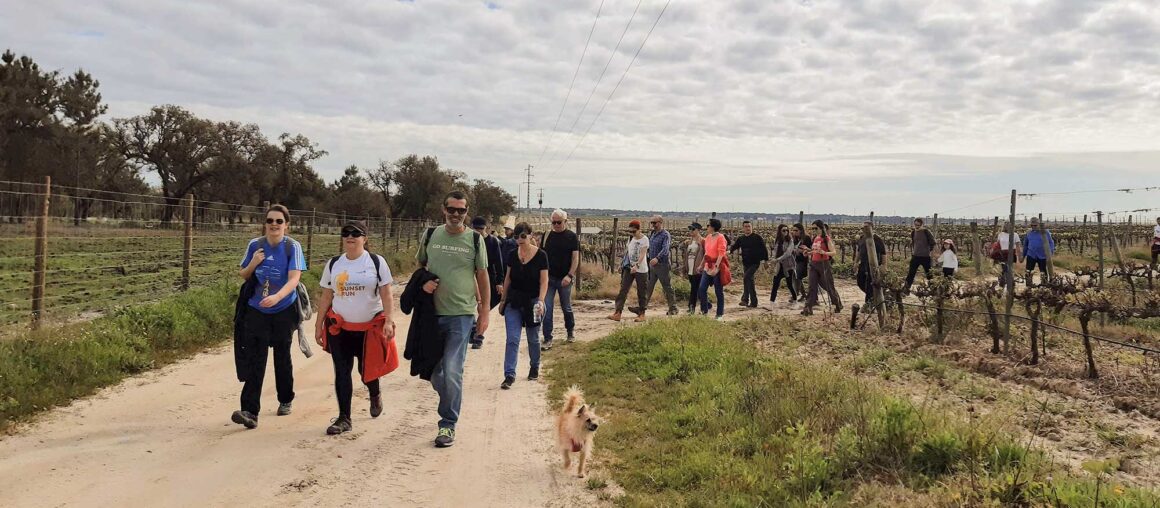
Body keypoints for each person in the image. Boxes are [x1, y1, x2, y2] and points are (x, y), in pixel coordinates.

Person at [416, 191, 490, 448]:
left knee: (452, 370)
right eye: (452, 209)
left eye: (461, 210)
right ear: (443, 209)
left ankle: (447, 423)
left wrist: (484, 311)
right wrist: (423, 283)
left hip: (461, 314)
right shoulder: (430, 235)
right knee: (434, 372)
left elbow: (482, 275)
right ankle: (450, 396)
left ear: (467, 212)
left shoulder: (475, 240)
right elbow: (420, 267)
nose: (456, 214)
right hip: (430, 314)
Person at [315, 220, 396, 435]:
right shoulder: (334, 264)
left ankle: (375, 393)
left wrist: (389, 320)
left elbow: (386, 294)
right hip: (340, 329)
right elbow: (326, 296)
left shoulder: (376, 262)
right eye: (346, 233)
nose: (350, 236)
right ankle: (344, 418)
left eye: (356, 233)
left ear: (365, 238)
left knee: (365, 371)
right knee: (342, 371)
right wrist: (318, 324)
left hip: (368, 330)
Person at [231, 204, 306, 430]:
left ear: (286, 225)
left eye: (279, 221)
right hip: (256, 309)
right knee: (256, 358)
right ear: (264, 224)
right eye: (270, 221)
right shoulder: (255, 245)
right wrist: (254, 263)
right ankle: (250, 411)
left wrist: (277, 297)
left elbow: (294, 279)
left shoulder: (292, 247)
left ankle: (286, 398)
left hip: (284, 308)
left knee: (282, 356)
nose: (274, 224)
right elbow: (244, 274)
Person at [498, 222, 548, 390]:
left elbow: (544, 281)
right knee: (512, 339)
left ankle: (534, 366)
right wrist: (503, 300)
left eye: (523, 236)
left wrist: (541, 301)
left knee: (533, 338)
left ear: (530, 235)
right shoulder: (512, 254)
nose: (519, 239)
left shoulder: (541, 255)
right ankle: (509, 375)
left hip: (533, 301)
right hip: (514, 301)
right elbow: (508, 278)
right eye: (516, 236)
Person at [540, 209, 579, 350]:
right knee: (547, 308)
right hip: (549, 279)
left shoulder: (571, 237)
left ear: (565, 221)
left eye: (559, 222)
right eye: (554, 222)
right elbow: (541, 257)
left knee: (566, 307)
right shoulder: (546, 236)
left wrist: (569, 275)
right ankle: (547, 338)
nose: (556, 225)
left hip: (565, 279)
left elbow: (575, 258)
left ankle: (570, 331)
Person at [468, 217, 504, 350]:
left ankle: (479, 335)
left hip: (488, 277)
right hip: (470, 277)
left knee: (484, 308)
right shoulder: (468, 240)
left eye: (481, 229)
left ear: (486, 229)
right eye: (476, 229)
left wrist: (500, 282)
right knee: (468, 305)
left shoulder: (493, 241)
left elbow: (499, 262)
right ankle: (473, 327)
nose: (478, 231)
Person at [608, 219, 650, 322]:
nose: (632, 233)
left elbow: (643, 254)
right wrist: (622, 264)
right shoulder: (631, 238)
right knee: (623, 290)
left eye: (634, 231)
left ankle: (642, 314)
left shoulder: (644, 239)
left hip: (641, 269)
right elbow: (628, 252)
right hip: (628, 268)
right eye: (630, 231)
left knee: (641, 291)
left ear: (639, 230)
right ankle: (618, 313)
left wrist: (637, 265)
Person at [641, 215, 680, 316]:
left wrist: (657, 258)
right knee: (648, 286)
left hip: (662, 265)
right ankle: (642, 308)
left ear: (660, 223)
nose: (653, 225)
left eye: (655, 223)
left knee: (667, 287)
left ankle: (673, 308)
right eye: (652, 223)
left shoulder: (665, 235)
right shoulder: (652, 234)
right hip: (652, 265)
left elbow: (665, 249)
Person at [802, 220, 842, 316]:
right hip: (813, 264)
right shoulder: (815, 238)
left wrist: (824, 253)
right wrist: (808, 253)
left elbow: (833, 252)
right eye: (812, 228)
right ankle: (808, 307)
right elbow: (815, 251)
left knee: (828, 286)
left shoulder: (826, 238)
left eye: (815, 228)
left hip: (824, 264)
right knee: (812, 286)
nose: (813, 230)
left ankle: (837, 304)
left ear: (821, 228)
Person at [729, 220, 768, 308]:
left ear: (751, 227)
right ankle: (752, 302)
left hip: (755, 263)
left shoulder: (757, 237)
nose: (747, 228)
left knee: (746, 277)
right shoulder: (741, 238)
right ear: (743, 228)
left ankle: (745, 299)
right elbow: (735, 246)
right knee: (749, 280)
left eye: (749, 226)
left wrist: (765, 261)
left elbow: (764, 249)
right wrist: (729, 251)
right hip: (746, 263)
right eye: (746, 226)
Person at [698, 218, 730, 321]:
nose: (707, 227)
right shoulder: (708, 237)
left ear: (713, 227)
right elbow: (706, 253)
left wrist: (716, 267)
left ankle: (719, 314)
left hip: (718, 267)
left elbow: (721, 253)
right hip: (708, 266)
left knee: (718, 291)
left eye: (708, 225)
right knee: (701, 289)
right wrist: (701, 265)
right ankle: (704, 311)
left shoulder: (721, 237)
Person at [854, 221, 887, 305]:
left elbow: (883, 254)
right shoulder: (862, 238)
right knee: (860, 282)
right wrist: (856, 262)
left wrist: (883, 265)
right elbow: (859, 252)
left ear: (872, 228)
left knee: (870, 284)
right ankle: (873, 296)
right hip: (863, 265)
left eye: (866, 227)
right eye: (863, 228)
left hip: (874, 266)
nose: (864, 229)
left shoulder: (877, 239)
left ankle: (869, 303)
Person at [770, 224, 800, 304]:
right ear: (779, 231)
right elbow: (775, 251)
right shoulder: (777, 241)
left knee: (789, 284)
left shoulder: (790, 241)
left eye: (787, 230)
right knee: (775, 284)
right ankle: (771, 303)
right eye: (783, 230)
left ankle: (795, 300)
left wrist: (777, 259)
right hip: (779, 266)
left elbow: (788, 253)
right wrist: (773, 259)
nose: (786, 232)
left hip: (788, 266)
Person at [904, 218, 935, 292]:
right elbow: (914, 242)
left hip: (925, 257)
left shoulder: (926, 232)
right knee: (911, 273)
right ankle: (906, 288)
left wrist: (929, 252)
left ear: (922, 225)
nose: (916, 226)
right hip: (915, 256)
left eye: (918, 225)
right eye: (915, 225)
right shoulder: (913, 232)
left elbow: (933, 242)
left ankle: (933, 289)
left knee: (929, 274)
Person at [1023, 217, 1055, 287]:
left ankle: (1044, 285)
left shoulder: (1045, 232)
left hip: (1042, 255)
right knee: (1028, 271)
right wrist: (1023, 255)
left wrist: (1050, 252)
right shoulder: (1028, 233)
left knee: (1043, 271)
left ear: (1039, 224)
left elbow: (1051, 242)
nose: (1033, 227)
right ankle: (1028, 286)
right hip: (1031, 254)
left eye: (1035, 225)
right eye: (1032, 225)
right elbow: (1025, 244)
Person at [685, 223, 706, 314]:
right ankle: (706, 305)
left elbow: (706, 254)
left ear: (698, 230)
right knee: (695, 288)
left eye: (693, 229)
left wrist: (702, 266)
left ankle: (692, 307)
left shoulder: (703, 241)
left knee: (695, 288)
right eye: (690, 229)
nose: (691, 231)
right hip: (690, 268)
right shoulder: (689, 242)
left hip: (698, 268)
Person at [790, 223, 809, 301]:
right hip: (796, 260)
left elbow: (809, 250)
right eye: (793, 230)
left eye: (796, 230)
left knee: (797, 276)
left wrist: (799, 250)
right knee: (797, 277)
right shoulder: (795, 239)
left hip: (803, 260)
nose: (794, 232)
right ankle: (804, 295)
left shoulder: (806, 238)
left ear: (801, 230)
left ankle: (795, 294)